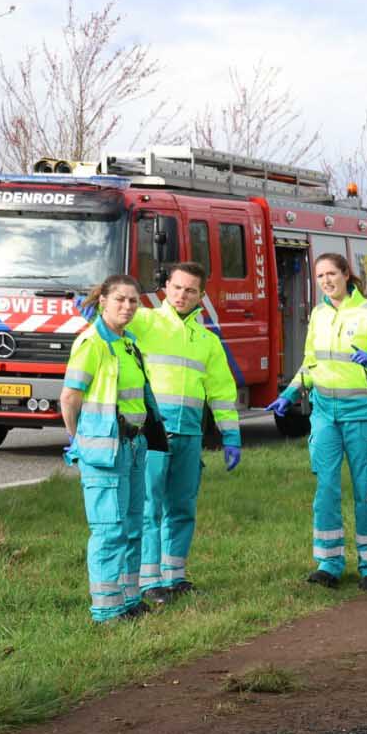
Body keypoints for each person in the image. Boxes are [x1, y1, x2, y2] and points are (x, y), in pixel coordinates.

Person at [265, 253, 367, 590]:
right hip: (324, 415)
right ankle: (329, 563)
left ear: (345, 274)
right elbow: (311, 363)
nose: (326, 280)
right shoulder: (319, 315)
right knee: (325, 490)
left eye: (331, 274)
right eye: (320, 275)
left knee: (366, 491)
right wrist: (290, 393)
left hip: (361, 416)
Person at [127, 261, 241, 604]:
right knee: (150, 506)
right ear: (166, 287)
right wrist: (92, 309)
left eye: (190, 290)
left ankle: (174, 577)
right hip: (153, 431)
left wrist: (231, 435)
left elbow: (221, 392)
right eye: (177, 287)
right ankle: (149, 582)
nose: (182, 295)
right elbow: (113, 317)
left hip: (190, 432)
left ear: (201, 296)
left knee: (182, 506)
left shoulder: (207, 341)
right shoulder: (145, 320)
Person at [61, 274, 152, 623]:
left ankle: (129, 599)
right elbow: (70, 398)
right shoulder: (92, 343)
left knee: (132, 525)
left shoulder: (128, 343)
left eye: (133, 301)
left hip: (132, 446)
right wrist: (77, 441)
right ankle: (106, 609)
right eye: (120, 300)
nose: (127, 306)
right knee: (109, 529)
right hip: (105, 451)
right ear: (104, 302)